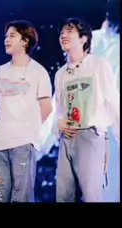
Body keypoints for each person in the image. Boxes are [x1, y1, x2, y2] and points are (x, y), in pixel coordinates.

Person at [55, 18, 119, 203]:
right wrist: (59, 123)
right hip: (67, 138)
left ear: (83, 39)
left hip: (91, 136)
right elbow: (59, 108)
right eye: (62, 32)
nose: (63, 35)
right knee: (63, 195)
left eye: (69, 32)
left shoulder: (99, 64)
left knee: (92, 195)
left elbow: (113, 101)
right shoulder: (60, 74)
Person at [0, 21, 53, 202]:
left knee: (21, 196)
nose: (6, 40)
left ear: (25, 41)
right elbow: (0, 107)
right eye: (6, 36)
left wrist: (29, 130)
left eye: (12, 36)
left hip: (23, 143)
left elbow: (47, 109)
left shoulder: (38, 72)